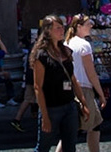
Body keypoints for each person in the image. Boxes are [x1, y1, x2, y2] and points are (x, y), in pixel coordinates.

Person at [21, 16, 78, 152]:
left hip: (69, 105)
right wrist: (45, 116)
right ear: (48, 31)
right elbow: (37, 87)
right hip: (51, 107)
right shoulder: (41, 55)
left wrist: (82, 101)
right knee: (43, 147)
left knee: (70, 146)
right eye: (57, 28)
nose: (61, 30)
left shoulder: (66, 51)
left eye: (62, 27)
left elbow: (72, 78)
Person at [67, 15, 106, 148]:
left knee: (95, 123)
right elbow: (91, 74)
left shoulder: (67, 43)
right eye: (88, 24)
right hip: (83, 88)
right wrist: (101, 94)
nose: (91, 26)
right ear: (79, 27)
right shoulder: (84, 45)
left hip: (70, 87)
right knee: (76, 128)